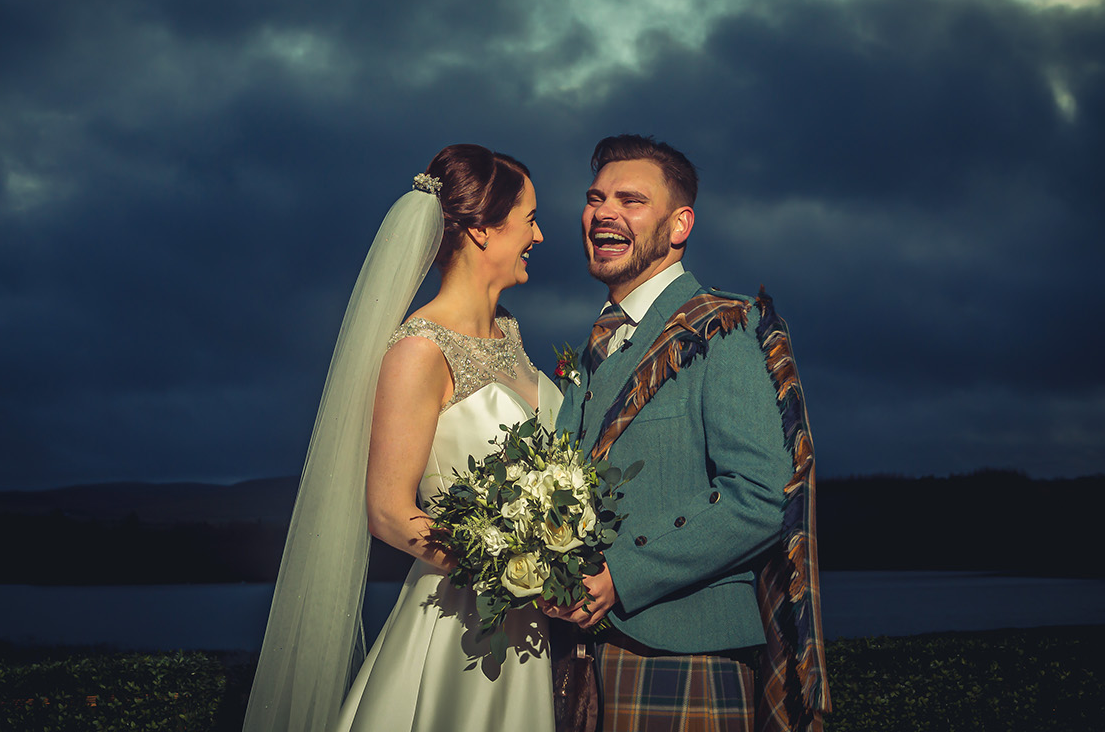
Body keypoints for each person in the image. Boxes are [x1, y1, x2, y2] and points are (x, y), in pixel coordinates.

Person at [243, 144, 562, 732]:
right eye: (531, 219)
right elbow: (389, 512)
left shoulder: (511, 333)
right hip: (462, 624)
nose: (538, 237)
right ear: (483, 230)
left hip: (536, 626)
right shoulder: (419, 350)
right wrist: (516, 574)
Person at [547, 134, 830, 732]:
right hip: (577, 659)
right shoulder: (594, 347)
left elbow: (762, 496)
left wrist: (622, 575)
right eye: (596, 198)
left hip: (683, 659)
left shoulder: (724, 328)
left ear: (680, 225)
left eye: (631, 200)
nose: (604, 213)